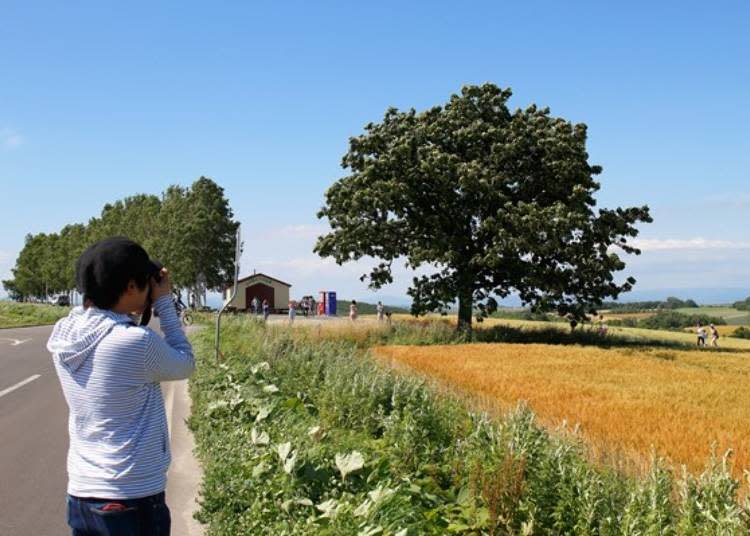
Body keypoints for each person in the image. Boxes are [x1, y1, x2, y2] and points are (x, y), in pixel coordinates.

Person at [47, 236, 194, 535]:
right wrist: (164, 302)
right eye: (143, 283)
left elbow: (91, 312)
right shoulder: (134, 343)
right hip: (130, 495)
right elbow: (185, 363)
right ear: (129, 286)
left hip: (82, 494)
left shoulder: (66, 336)